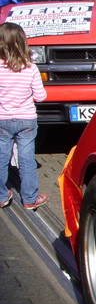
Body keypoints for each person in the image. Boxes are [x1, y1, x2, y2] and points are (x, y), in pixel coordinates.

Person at [0, 23, 47, 210]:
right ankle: (29, 199)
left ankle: (2, 196)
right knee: (27, 159)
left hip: (2, 119)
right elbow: (41, 97)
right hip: (27, 120)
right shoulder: (30, 68)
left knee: (2, 156)